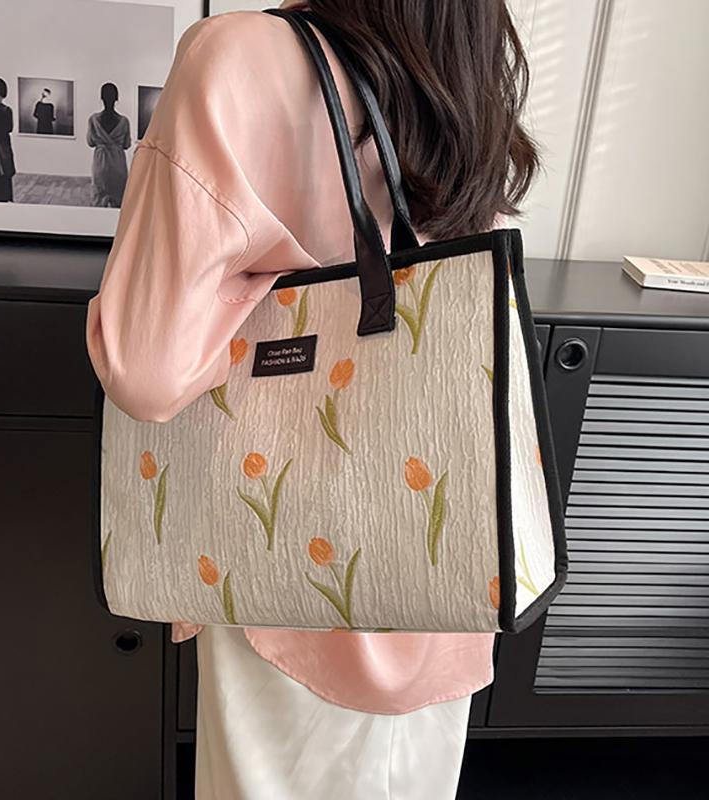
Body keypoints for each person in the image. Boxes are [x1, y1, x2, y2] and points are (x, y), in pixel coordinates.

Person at [87, 1, 538, 797]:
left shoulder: (243, 53)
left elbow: (147, 368)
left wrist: (262, 285)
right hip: (443, 574)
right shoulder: (461, 63)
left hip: (290, 582)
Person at [86, 82, 131, 208]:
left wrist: (102, 142)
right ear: (117, 98)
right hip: (118, 164)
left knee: (98, 199)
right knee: (119, 201)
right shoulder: (124, 121)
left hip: (100, 163)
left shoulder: (93, 120)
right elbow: (126, 144)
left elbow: (90, 142)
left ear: (101, 98)